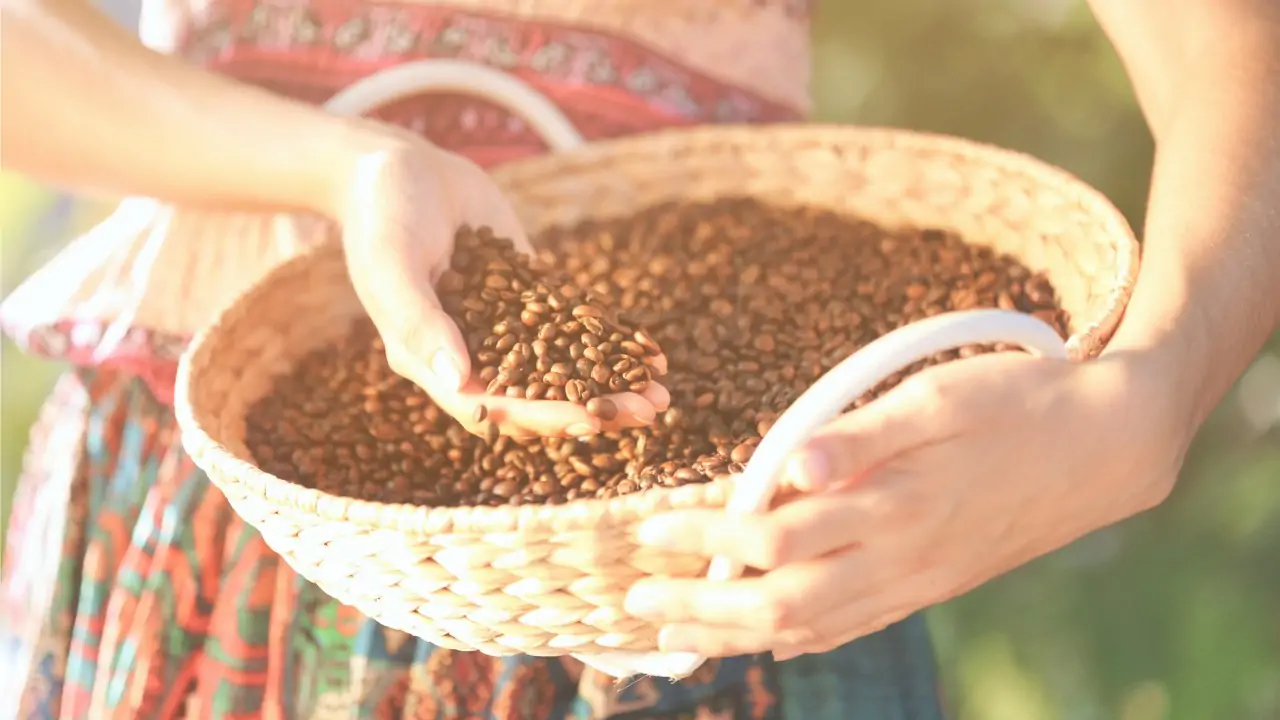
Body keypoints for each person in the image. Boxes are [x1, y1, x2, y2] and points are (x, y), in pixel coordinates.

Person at [1, 0, 1276, 717]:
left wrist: (1153, 390)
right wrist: (346, 168)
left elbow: (1230, 58)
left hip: (723, 537)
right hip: (210, 494)